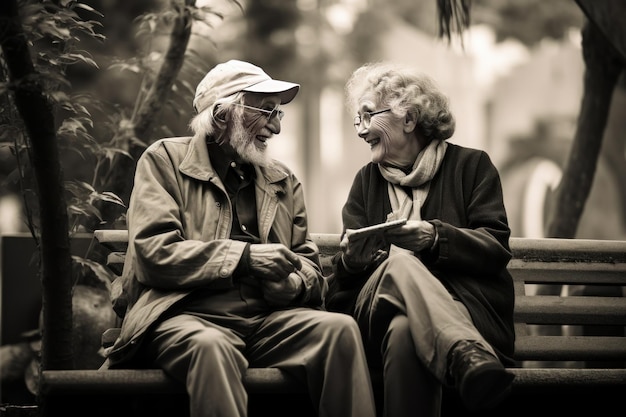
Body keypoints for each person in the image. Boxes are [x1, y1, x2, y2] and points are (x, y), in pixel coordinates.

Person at [101, 59, 377, 417]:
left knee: (338, 330)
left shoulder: (282, 179)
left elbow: (308, 266)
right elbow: (155, 254)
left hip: (267, 321)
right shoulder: (165, 160)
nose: (276, 126)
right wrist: (245, 258)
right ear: (222, 114)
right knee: (210, 347)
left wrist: (295, 285)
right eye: (266, 112)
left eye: (278, 113)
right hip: (185, 317)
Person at [326, 62, 516, 417]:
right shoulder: (365, 182)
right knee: (399, 263)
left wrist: (433, 237)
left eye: (369, 116)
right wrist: (352, 262)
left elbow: (495, 249)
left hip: (464, 311)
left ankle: (457, 345)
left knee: (404, 332)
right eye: (358, 119)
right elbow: (338, 290)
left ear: (409, 119)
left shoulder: (472, 167)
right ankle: (464, 352)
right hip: (373, 313)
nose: (361, 130)